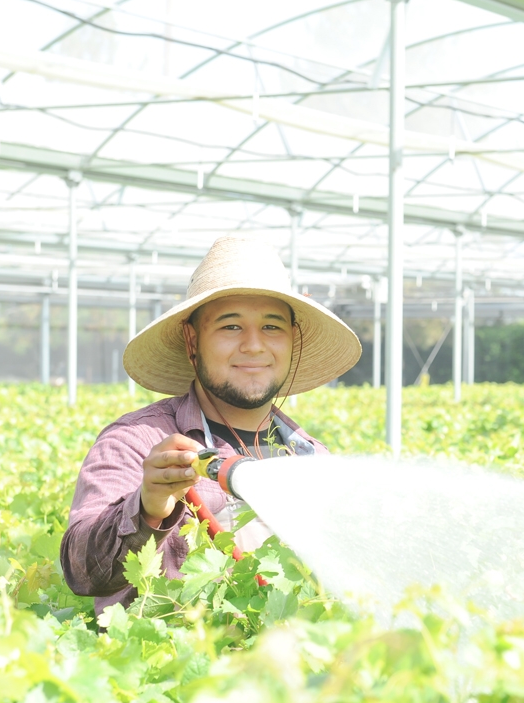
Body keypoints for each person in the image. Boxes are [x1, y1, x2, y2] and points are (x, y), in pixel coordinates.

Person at [60, 236, 362, 615]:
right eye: (231, 327)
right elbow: (81, 570)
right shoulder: (137, 444)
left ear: (292, 341)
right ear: (192, 340)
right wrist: (147, 506)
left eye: (271, 327)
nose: (254, 346)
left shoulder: (311, 456)